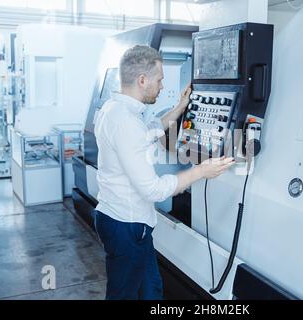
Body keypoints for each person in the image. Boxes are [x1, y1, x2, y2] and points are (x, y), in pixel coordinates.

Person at [94, 45, 234, 300]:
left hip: (129, 221)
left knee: (151, 289)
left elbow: (150, 129)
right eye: (159, 80)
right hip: (127, 225)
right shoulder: (125, 122)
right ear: (142, 80)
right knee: (123, 295)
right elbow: (154, 190)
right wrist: (202, 170)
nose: (161, 86)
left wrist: (181, 106)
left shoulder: (115, 110)